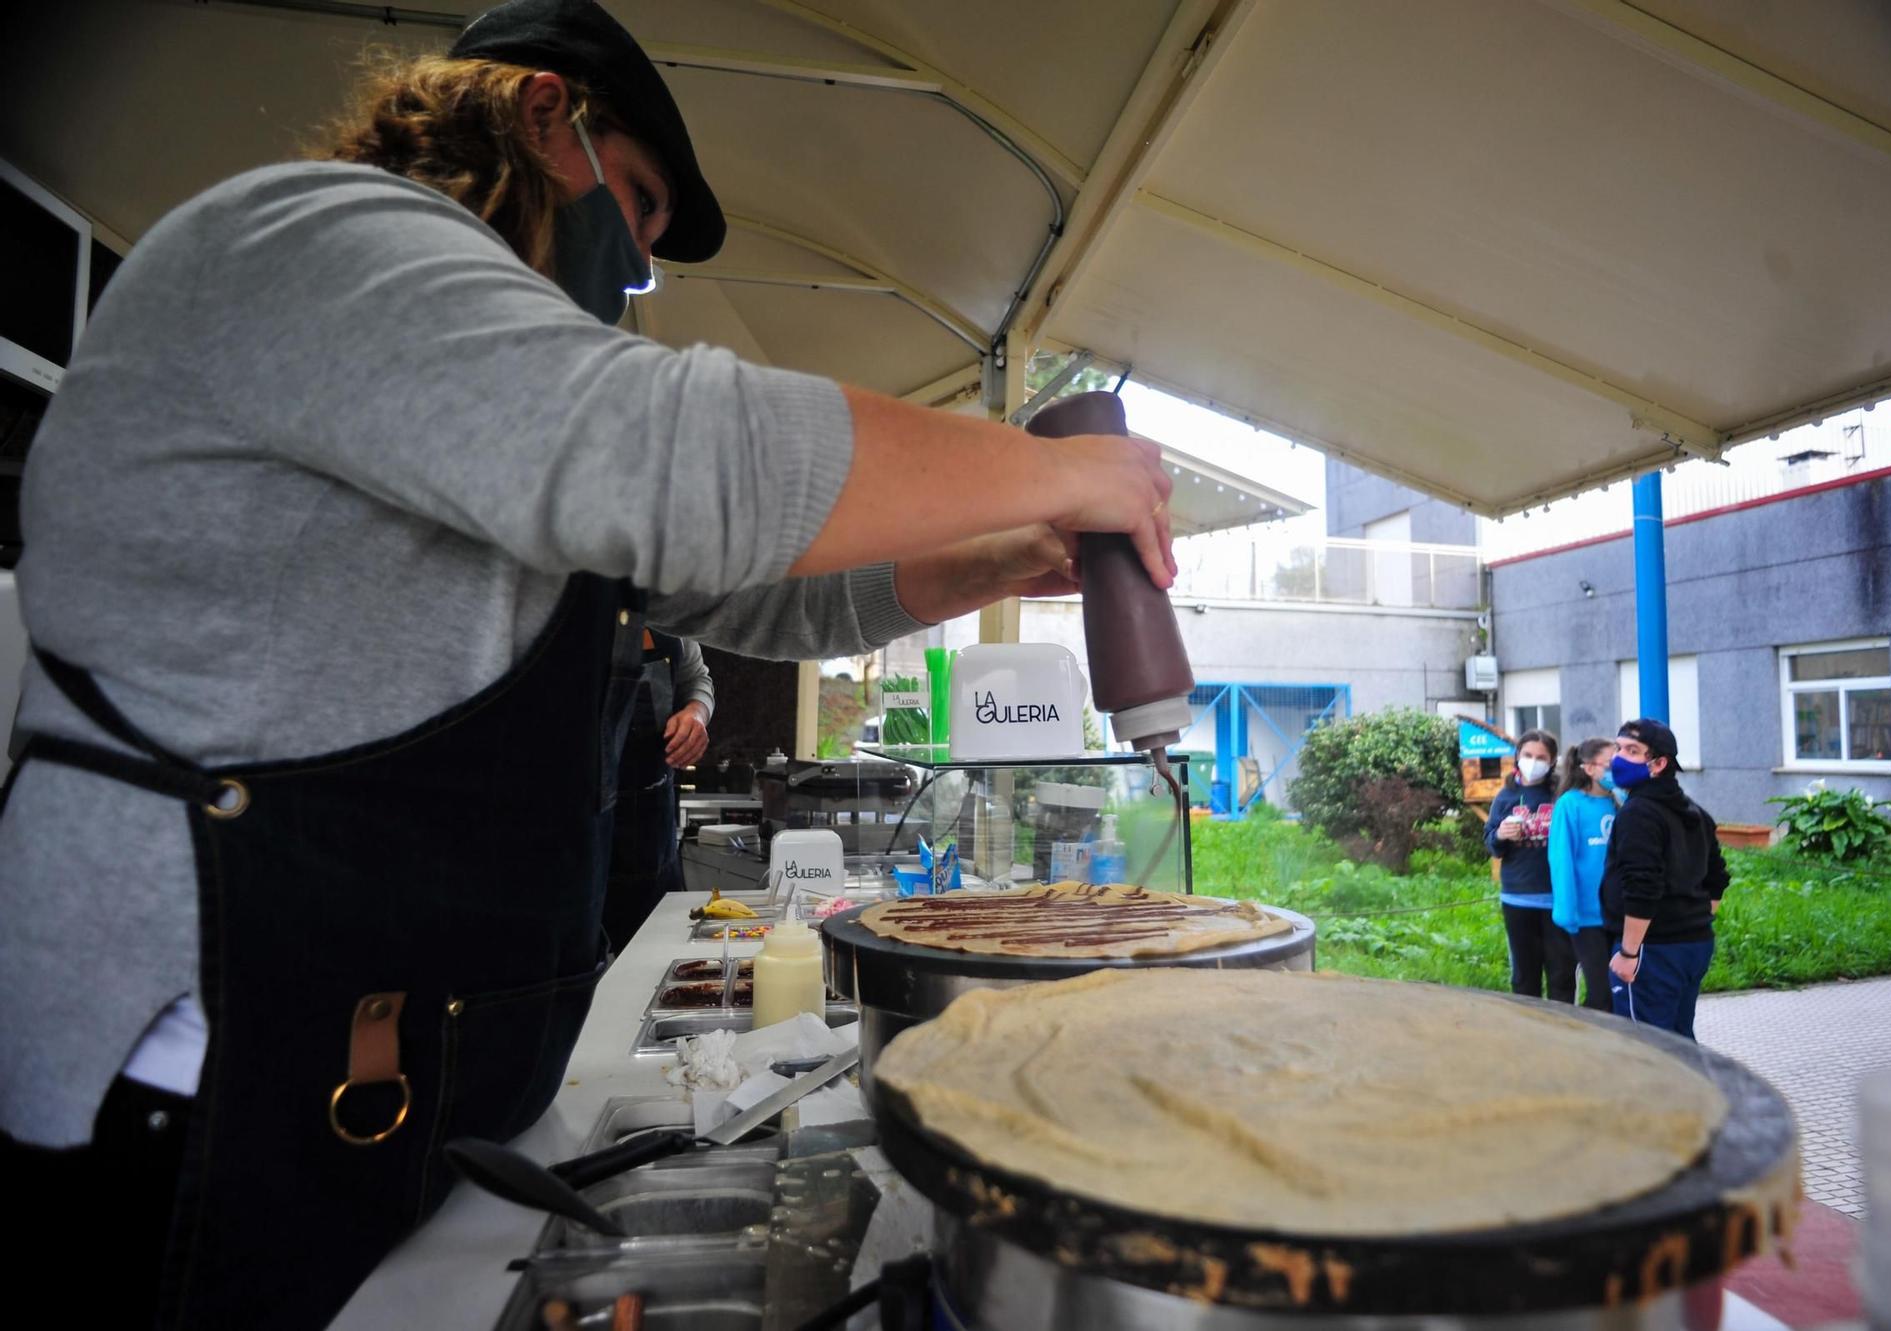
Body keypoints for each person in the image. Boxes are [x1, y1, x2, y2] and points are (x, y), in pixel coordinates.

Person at [0, 2, 1176, 1326]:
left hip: (396, 1069)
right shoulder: (316, 239)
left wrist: (993, 555)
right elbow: (682, 458)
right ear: (541, 111)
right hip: (206, 1065)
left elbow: (753, 585)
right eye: (637, 203)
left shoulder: (477, 416)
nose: (637, 261)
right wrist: (1058, 465)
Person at [1602, 718, 1729, 1040]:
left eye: (1632, 751)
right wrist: (1691, 919)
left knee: (1645, 1047)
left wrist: (1630, 953)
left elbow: (1643, 887)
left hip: (1652, 950)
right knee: (1679, 1040)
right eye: (1618, 748)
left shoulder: (1639, 813)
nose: (1619, 758)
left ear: (1658, 764)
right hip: (1694, 943)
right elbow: (1717, 881)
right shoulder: (1694, 811)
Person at [602, 630, 711, 952]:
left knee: (657, 952)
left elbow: (697, 678)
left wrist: (697, 713)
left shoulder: (671, 611)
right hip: (569, 818)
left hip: (649, 816)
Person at [1483, 728, 1575, 1003]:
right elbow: (1491, 843)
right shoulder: (1506, 796)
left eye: (1541, 757)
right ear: (1517, 757)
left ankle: (1562, 1032)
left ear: (1552, 761)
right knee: (1524, 977)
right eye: (1527, 755)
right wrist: (1500, 835)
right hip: (1517, 897)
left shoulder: (1562, 795)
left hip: (1557, 899)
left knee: (1562, 974)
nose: (1533, 761)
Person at [1548, 737, 1618, 1011]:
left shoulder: (1621, 802)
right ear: (1589, 768)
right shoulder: (1571, 804)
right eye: (1611, 764)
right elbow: (1561, 858)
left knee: (1617, 993)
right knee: (1601, 994)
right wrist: (1567, 910)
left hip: (1620, 916)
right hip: (1587, 917)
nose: (1617, 770)